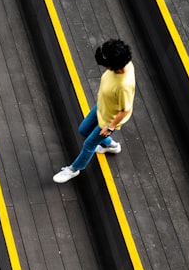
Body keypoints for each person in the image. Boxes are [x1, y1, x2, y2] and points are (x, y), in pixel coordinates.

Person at [53, 39, 136, 183]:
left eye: (106, 65)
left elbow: (126, 110)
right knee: (83, 130)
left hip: (109, 119)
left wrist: (109, 127)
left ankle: (74, 169)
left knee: (89, 145)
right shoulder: (125, 63)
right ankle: (112, 146)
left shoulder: (124, 86)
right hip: (102, 106)